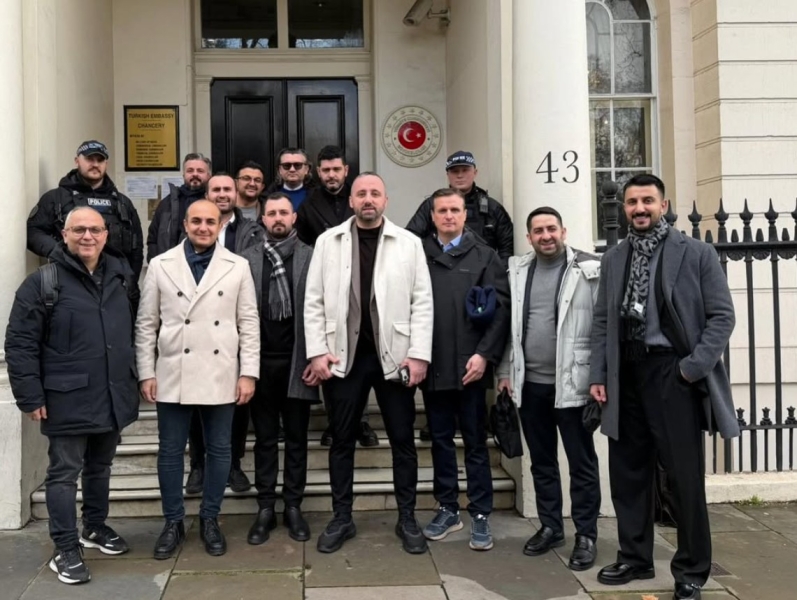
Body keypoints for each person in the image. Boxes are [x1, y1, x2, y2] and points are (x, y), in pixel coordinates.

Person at [589, 174, 738, 600]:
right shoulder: (614, 258)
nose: (639, 208)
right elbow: (603, 321)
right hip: (626, 374)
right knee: (628, 473)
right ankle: (635, 558)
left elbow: (722, 317)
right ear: (624, 208)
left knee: (683, 477)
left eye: (647, 201)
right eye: (632, 202)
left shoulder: (696, 253)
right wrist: (598, 374)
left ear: (663, 205)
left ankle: (691, 570)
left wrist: (691, 369)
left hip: (673, 373)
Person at [7, 207, 139, 585]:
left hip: (112, 393)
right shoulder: (42, 283)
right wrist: (30, 396)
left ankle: (94, 526)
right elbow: (20, 343)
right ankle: (65, 547)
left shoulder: (120, 276)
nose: (87, 236)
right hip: (66, 398)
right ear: (64, 235)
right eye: (78, 230)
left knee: (100, 466)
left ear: (106, 235)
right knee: (64, 474)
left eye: (95, 230)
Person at [304, 172, 433, 554]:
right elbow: (313, 300)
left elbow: (422, 302)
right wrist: (317, 351)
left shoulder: (408, 243)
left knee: (402, 441)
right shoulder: (328, 241)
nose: (368, 199)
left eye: (375, 193)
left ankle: (407, 517)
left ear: (385, 200)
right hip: (343, 357)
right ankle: (341, 517)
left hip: (395, 357)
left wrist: (419, 354)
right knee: (341, 440)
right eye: (361, 193)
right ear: (351, 201)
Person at [136, 200, 260, 559]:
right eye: (196, 221)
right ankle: (173, 522)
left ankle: (210, 518)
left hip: (221, 371)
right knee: (171, 451)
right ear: (185, 225)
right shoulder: (160, 264)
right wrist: (146, 371)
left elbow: (248, 323)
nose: (203, 227)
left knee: (220, 449)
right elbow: (146, 323)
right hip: (173, 370)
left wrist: (248, 373)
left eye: (210, 221)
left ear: (220, 225)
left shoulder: (237, 265)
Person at [497, 206, 601, 570]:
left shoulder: (589, 269)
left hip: (572, 385)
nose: (546, 236)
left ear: (563, 231)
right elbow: (511, 327)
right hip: (530, 386)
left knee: (581, 463)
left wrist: (598, 377)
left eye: (551, 229)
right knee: (541, 462)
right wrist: (505, 372)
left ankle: (586, 534)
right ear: (529, 237)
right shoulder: (517, 270)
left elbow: (601, 328)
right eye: (538, 231)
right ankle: (551, 527)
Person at [419, 188, 510, 552]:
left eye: (455, 210)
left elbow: (500, 310)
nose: (449, 216)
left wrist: (484, 355)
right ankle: (447, 507)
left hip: (472, 366)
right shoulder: (418, 255)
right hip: (434, 364)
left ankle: (481, 511)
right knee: (440, 441)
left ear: (464, 214)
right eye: (442, 210)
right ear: (432, 216)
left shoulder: (485, 255)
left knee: (475, 443)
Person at [242, 192, 319, 544]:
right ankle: (265, 508)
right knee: (265, 440)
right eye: (271, 213)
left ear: (294, 217)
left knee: (298, 439)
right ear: (262, 219)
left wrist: (316, 357)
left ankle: (293, 506)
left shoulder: (311, 257)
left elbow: (322, 310)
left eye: (283, 213)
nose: (277, 218)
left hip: (298, 363)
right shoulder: (246, 260)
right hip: (260, 364)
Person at [185, 173, 264, 495]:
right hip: (195, 330)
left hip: (233, 327)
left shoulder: (253, 230)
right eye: (215, 189)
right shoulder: (194, 226)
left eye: (227, 189)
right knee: (194, 404)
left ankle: (234, 464)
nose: (222, 194)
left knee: (237, 403)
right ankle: (198, 465)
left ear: (236, 194)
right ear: (207, 193)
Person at [295, 145, 376, 448]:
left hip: (362, 286)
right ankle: (335, 423)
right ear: (318, 172)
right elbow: (303, 246)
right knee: (335, 358)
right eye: (326, 170)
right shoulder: (309, 205)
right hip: (329, 287)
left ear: (346, 170)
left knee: (363, 360)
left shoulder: (360, 197)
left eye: (336, 169)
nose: (331, 175)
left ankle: (362, 423)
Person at [26, 140, 144, 279]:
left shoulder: (122, 203)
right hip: (69, 278)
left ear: (106, 164)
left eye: (100, 160)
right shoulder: (56, 198)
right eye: (89, 159)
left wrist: (130, 281)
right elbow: (33, 231)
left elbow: (136, 248)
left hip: (114, 281)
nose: (95, 164)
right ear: (77, 161)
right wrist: (59, 252)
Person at [406, 150, 514, 261]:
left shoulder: (491, 207)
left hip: (481, 268)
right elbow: (410, 239)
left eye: (465, 170)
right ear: (448, 175)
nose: (460, 175)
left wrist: (495, 269)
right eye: (454, 171)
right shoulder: (432, 204)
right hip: (440, 266)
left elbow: (507, 247)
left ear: (475, 172)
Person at [147, 153, 212, 260]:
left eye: (200, 171)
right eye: (190, 171)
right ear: (183, 175)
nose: (195, 174)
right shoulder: (167, 203)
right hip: (170, 265)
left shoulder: (214, 202)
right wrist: (155, 264)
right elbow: (153, 239)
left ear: (209, 176)